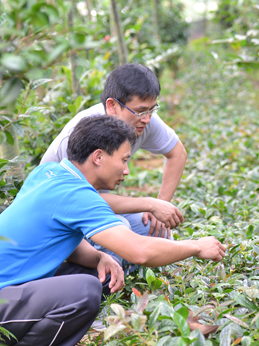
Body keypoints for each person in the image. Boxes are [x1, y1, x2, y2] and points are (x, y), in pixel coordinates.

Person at [0, 115, 225, 346]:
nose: (127, 170)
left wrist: (99, 257)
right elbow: (139, 252)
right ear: (98, 157)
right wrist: (195, 246)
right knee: (85, 289)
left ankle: (38, 345)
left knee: (97, 271)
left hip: (1, 301)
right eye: (123, 159)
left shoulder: (48, 173)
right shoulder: (76, 194)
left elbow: (56, 238)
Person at [41, 63, 187, 264]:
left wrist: (161, 206)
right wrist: (150, 204)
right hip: (60, 217)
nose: (147, 119)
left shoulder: (144, 120)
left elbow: (177, 154)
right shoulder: (84, 134)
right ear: (112, 106)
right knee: (121, 229)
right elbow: (83, 199)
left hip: (92, 204)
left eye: (152, 109)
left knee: (158, 234)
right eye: (140, 111)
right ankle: (99, 280)